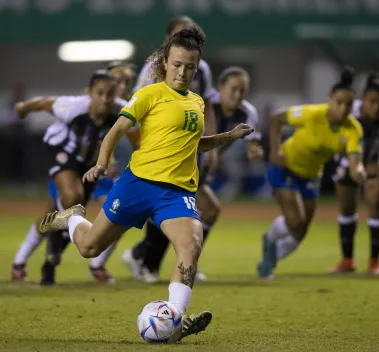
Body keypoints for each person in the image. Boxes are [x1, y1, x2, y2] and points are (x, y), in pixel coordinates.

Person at [38, 26, 253, 340]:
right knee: (88, 247)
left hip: (176, 192)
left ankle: (175, 321)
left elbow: (192, 144)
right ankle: (72, 219)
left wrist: (229, 137)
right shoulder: (149, 94)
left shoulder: (197, 102)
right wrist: (102, 161)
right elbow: (116, 131)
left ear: (196, 68)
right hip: (137, 185)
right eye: (177, 64)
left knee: (191, 245)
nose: (183, 72)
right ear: (166, 63)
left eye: (190, 67)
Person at [124, 66, 263, 282]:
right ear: (220, 88)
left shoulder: (246, 112)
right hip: (179, 165)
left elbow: (252, 140)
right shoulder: (204, 104)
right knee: (174, 211)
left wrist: (254, 149)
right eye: (233, 89)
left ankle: (152, 258)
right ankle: (148, 262)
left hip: (199, 170)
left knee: (207, 211)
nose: (237, 95)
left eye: (242, 91)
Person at [122, 15, 219, 283]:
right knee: (167, 205)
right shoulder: (152, 69)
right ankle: (148, 258)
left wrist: (212, 147)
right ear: (168, 42)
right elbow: (137, 108)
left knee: (205, 209)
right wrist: (143, 144)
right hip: (161, 151)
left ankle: (163, 258)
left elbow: (207, 106)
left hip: (189, 150)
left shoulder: (203, 70)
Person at [11, 69, 127, 285]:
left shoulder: (121, 109)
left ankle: (21, 262)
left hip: (88, 164)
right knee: (73, 198)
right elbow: (45, 103)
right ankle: (53, 258)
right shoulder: (73, 107)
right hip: (60, 151)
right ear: (89, 93)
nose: (104, 99)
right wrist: (22, 108)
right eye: (99, 93)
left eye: (109, 95)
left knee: (57, 217)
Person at [257, 67, 365, 279]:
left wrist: (359, 171)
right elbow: (277, 118)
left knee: (301, 231)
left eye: (349, 105)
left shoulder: (353, 129)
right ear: (330, 99)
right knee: (296, 219)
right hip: (285, 166)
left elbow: (355, 162)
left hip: (311, 175)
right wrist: (275, 150)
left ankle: (270, 258)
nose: (343, 109)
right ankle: (270, 239)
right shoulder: (313, 114)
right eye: (339, 102)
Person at [330, 74, 379, 275]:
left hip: (376, 162)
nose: (377, 107)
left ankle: (374, 262)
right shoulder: (349, 110)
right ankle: (347, 260)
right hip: (348, 159)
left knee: (375, 200)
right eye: (372, 101)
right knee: (346, 206)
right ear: (362, 99)